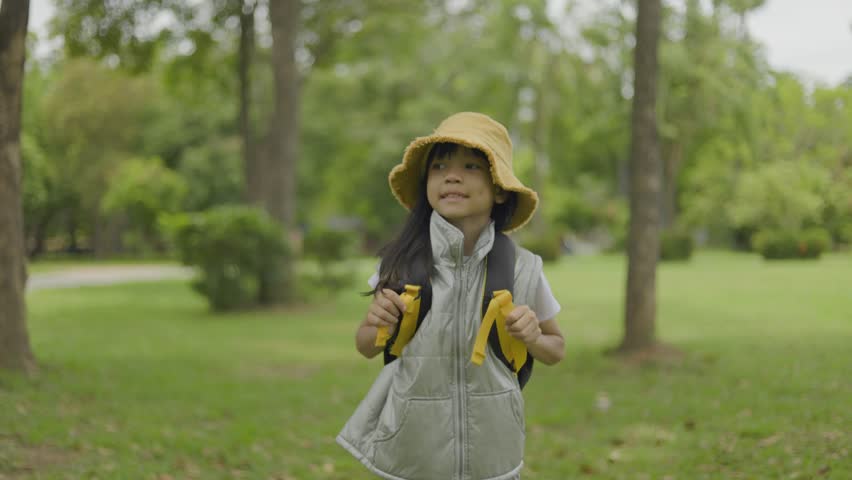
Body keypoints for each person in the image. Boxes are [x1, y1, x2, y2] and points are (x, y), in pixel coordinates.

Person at [337, 112, 565, 480]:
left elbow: (556, 348)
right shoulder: (400, 264)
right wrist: (377, 322)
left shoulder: (524, 269)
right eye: (439, 165)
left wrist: (534, 336)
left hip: (494, 457)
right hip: (411, 458)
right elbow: (365, 345)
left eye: (471, 166)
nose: (451, 175)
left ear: (500, 187)